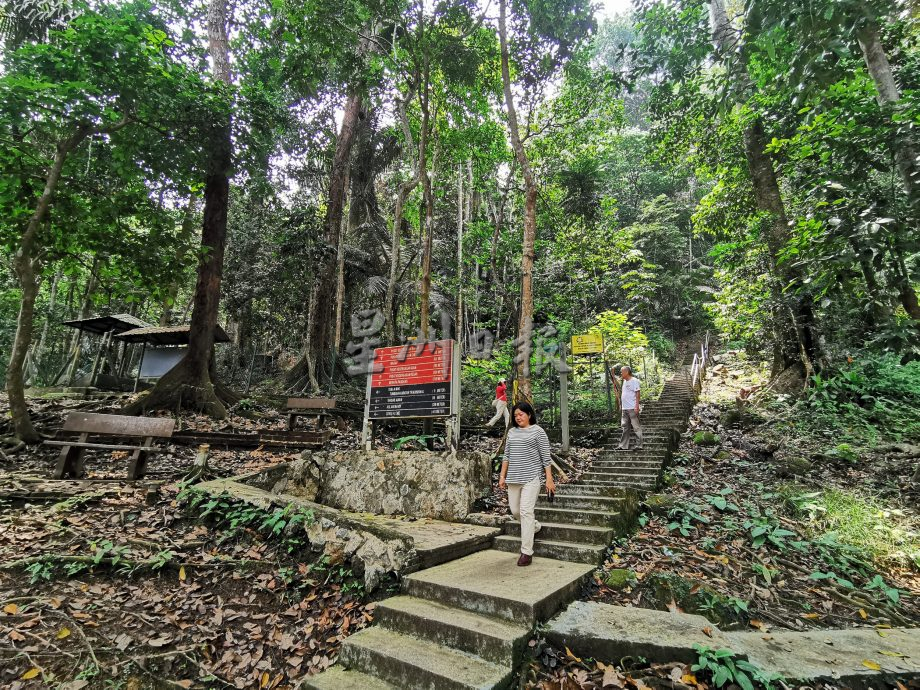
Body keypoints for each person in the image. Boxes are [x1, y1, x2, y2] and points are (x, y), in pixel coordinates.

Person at [498, 402, 555, 566]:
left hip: (532, 477)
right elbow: (506, 456)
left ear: (529, 414)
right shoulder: (512, 433)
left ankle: (526, 552)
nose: (518, 417)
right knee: (516, 511)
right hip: (514, 478)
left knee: (525, 511)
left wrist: (549, 479)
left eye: (521, 414)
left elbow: (546, 458)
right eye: (515, 415)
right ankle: (535, 527)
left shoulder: (538, 432)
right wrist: (502, 476)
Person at [617, 366, 643, 450]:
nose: (621, 373)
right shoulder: (624, 381)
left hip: (632, 408)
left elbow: (637, 393)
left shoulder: (634, 381)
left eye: (622, 372)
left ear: (627, 372)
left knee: (636, 427)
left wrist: (637, 406)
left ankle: (639, 445)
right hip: (625, 409)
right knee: (625, 428)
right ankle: (623, 446)